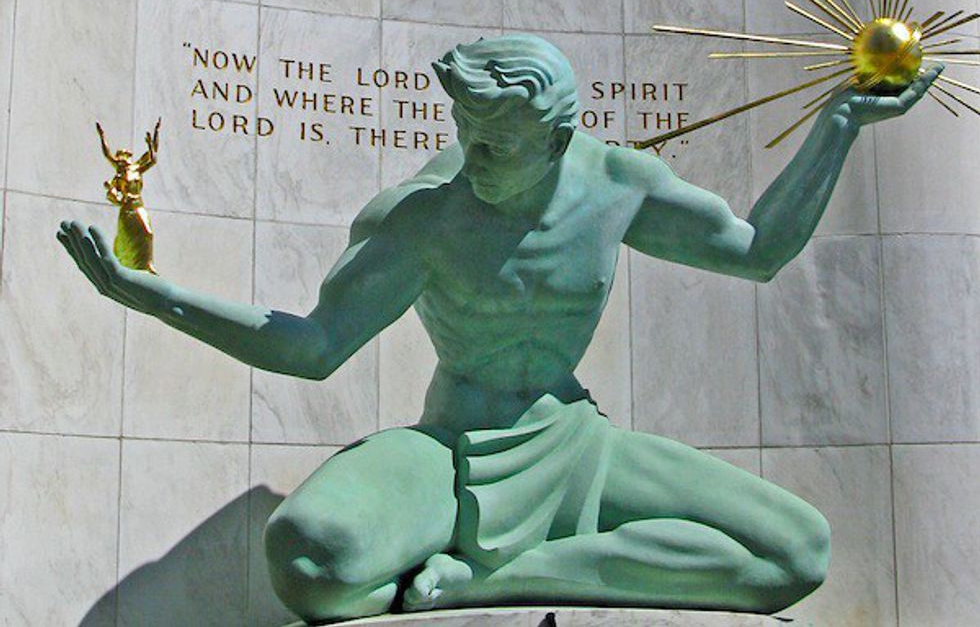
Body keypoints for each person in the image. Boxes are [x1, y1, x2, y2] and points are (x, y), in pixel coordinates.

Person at [57, 34, 941, 623]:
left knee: (796, 552)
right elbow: (313, 346)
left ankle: (486, 582)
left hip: (575, 444)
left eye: (497, 144)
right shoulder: (424, 215)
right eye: (466, 132)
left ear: (557, 139)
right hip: (448, 449)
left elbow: (757, 251)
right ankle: (468, 554)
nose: (471, 158)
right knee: (310, 563)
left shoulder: (616, 186)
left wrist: (838, 126)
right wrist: (156, 297)